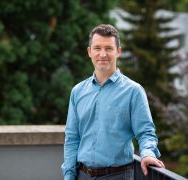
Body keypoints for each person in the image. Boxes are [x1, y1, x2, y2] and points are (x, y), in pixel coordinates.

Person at [61, 24, 165, 180]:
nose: (102, 54)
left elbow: (146, 132)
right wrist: (68, 175)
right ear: (89, 52)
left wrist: (147, 154)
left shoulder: (133, 91)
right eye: (97, 48)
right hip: (81, 175)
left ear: (118, 52)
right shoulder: (77, 92)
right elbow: (72, 138)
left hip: (118, 176)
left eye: (108, 48)